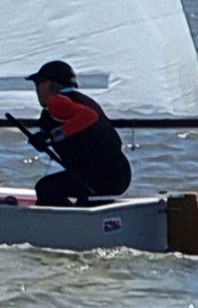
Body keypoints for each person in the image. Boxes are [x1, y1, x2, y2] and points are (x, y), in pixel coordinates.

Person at [18, 61, 133, 207]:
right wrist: (44, 137)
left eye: (39, 83)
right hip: (118, 175)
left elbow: (89, 116)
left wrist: (51, 137)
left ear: (51, 84)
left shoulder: (56, 101)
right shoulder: (79, 100)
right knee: (62, 190)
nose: (37, 89)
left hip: (102, 176)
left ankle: (66, 220)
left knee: (46, 188)